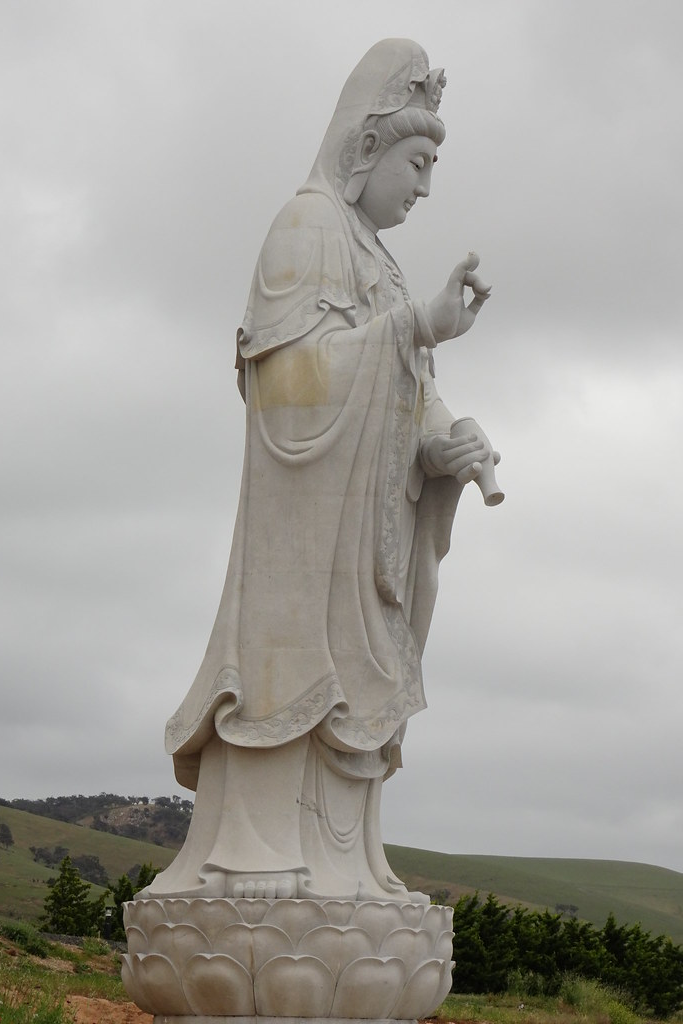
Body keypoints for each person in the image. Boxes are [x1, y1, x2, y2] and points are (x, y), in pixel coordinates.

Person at [142, 38, 498, 904]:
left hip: (363, 570)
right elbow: (290, 390)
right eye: (417, 161)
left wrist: (446, 440)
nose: (424, 186)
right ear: (366, 147)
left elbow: (406, 391)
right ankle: (257, 862)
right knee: (289, 691)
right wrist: (413, 326)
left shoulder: (378, 258)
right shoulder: (305, 226)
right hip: (302, 573)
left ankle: (351, 867)